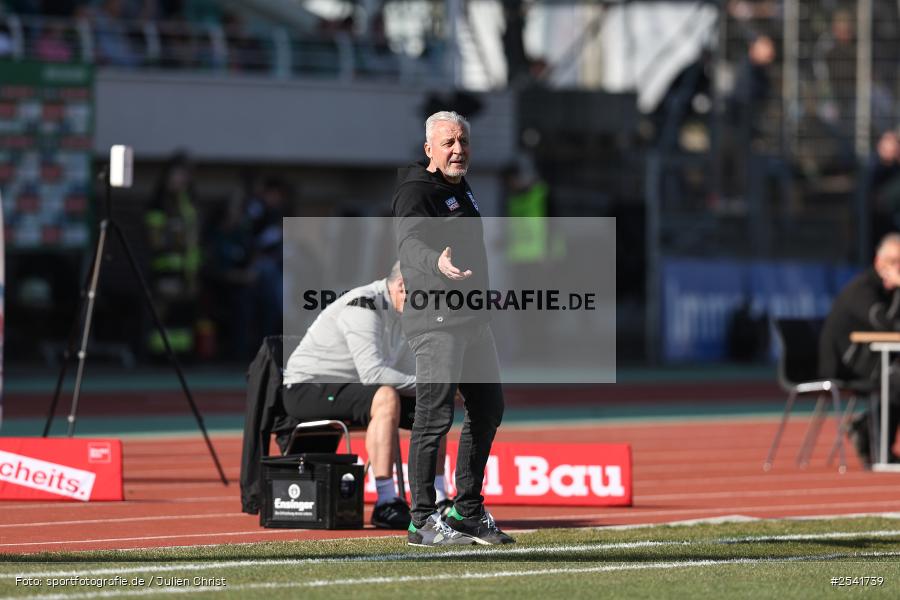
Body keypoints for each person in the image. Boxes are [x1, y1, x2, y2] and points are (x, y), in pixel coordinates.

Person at [393, 110, 514, 546]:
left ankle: (466, 510)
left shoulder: (458, 187)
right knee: (434, 416)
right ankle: (422, 520)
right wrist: (435, 264)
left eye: (463, 142)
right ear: (429, 150)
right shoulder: (415, 191)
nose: (458, 149)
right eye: (448, 143)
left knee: (489, 409)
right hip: (436, 318)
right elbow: (410, 243)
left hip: (472, 317)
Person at [281, 263, 450, 529]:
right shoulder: (363, 305)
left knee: (435, 404)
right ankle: (386, 502)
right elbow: (373, 374)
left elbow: (408, 371)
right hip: (308, 387)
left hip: (353, 387)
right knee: (386, 395)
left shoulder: (405, 312)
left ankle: (440, 499)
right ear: (402, 286)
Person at [819, 233, 900, 465]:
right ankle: (877, 447)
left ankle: (866, 429)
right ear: (879, 262)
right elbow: (886, 323)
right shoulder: (862, 289)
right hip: (846, 364)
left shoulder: (889, 292)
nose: (898, 268)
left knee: (895, 376)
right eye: (893, 262)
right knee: (896, 378)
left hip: (875, 359)